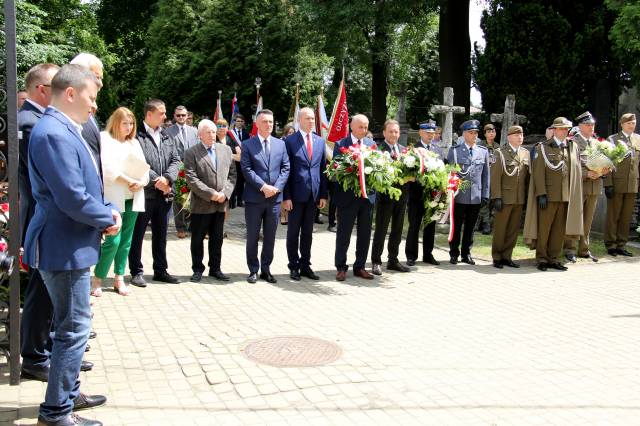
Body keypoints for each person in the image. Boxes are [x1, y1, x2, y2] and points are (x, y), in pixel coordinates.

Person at [24, 64, 119, 426]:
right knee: (72, 328)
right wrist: (108, 217)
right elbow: (72, 197)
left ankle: (67, 394)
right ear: (70, 93)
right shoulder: (53, 133)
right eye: (91, 98)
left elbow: (79, 191)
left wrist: (103, 214)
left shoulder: (63, 128)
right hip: (63, 247)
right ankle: (56, 412)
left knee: (69, 326)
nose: (95, 106)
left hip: (70, 242)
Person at [18, 63, 75, 383]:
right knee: (40, 292)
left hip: (41, 219)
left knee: (46, 293)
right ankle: (35, 356)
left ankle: (45, 345)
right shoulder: (31, 122)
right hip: (36, 220)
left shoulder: (37, 119)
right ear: (42, 89)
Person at [91, 107, 149, 297]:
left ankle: (119, 277)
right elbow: (107, 168)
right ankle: (98, 278)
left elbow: (145, 168)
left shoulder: (134, 143)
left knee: (126, 241)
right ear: (116, 122)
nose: (129, 127)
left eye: (131, 123)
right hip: (114, 198)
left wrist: (141, 182)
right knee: (112, 240)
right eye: (125, 123)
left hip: (133, 197)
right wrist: (128, 180)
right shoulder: (105, 139)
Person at [128, 99, 181, 286]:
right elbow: (137, 161)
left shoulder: (166, 135)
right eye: (161, 112)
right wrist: (156, 180)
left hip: (164, 194)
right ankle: (136, 271)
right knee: (138, 234)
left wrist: (167, 178)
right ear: (149, 114)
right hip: (146, 194)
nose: (165, 116)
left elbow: (176, 160)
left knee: (161, 234)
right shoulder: (137, 136)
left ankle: (160, 270)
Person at [523, 117, 582, 271]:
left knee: (559, 230)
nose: (564, 131)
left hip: (565, 195)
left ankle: (554, 258)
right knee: (544, 228)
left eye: (566, 129)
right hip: (548, 196)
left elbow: (574, 171)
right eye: (561, 128)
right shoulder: (543, 147)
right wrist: (541, 193)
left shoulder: (572, 147)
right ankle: (542, 258)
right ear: (554, 129)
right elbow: (538, 172)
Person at [241, 109, 290, 284]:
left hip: (274, 200)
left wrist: (276, 188)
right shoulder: (247, 144)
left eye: (271, 121)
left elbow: (286, 168)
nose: (268, 124)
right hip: (255, 198)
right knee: (253, 236)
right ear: (257, 123)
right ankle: (253, 269)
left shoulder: (280, 144)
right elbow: (246, 169)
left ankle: (266, 269)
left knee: (270, 237)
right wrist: (263, 186)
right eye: (265, 122)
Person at [184, 120, 236, 282]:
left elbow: (233, 175)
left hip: (221, 204)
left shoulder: (226, 150)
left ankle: (215, 268)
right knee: (197, 238)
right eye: (208, 132)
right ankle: (197, 269)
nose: (213, 135)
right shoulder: (191, 153)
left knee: (217, 238)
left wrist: (225, 193)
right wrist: (211, 194)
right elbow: (191, 178)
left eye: (214, 132)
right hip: (201, 204)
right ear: (200, 135)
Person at [282, 107, 328, 281]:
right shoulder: (289, 141)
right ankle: (293, 266)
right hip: (294, 195)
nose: (311, 122)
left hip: (313, 196)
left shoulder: (319, 141)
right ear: (299, 120)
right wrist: (286, 197)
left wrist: (323, 194)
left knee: (308, 233)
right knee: (293, 232)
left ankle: (305, 265)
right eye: (308, 119)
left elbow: (323, 169)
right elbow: (285, 171)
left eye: (313, 119)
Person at [333, 114, 376, 281]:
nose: (364, 130)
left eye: (366, 127)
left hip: (367, 198)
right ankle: (341, 267)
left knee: (365, 234)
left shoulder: (372, 145)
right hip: (347, 198)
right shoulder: (340, 144)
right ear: (352, 126)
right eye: (361, 127)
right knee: (343, 234)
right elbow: (337, 170)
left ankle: (360, 267)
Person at [447, 120, 490, 265]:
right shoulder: (454, 151)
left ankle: (466, 253)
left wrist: (485, 194)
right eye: (471, 133)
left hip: (476, 196)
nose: (474, 135)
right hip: (459, 195)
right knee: (457, 226)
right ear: (464, 134)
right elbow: (450, 173)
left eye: (476, 133)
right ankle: (454, 253)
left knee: (470, 228)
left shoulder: (483, 151)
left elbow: (485, 175)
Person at [371, 119, 411, 275]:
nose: (394, 134)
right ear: (384, 133)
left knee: (398, 229)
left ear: (399, 133)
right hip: (385, 197)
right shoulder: (378, 150)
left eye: (396, 131)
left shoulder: (405, 150)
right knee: (381, 229)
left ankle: (393, 260)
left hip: (402, 196)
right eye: (391, 131)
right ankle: (376, 261)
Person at [563, 112, 604, 262]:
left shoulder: (597, 142)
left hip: (594, 186)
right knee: (575, 218)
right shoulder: (572, 142)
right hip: (579, 186)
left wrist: (604, 170)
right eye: (588, 124)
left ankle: (584, 249)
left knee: (588, 220)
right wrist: (587, 174)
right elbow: (571, 165)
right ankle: (570, 249)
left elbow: (603, 161)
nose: (591, 127)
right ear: (580, 126)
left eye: (592, 124)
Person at [405, 120, 444, 266]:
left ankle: (428, 254)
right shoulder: (413, 149)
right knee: (414, 225)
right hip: (416, 195)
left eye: (432, 133)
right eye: (427, 133)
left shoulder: (438, 150)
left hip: (433, 195)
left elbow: (442, 170)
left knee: (430, 225)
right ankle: (411, 255)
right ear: (420, 132)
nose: (430, 135)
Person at [490, 126, 529, 269]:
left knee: (513, 230)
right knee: (501, 229)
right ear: (509, 137)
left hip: (519, 199)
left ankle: (507, 256)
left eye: (521, 134)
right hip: (504, 198)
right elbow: (495, 178)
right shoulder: (500, 153)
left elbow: (526, 178)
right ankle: (497, 257)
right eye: (516, 135)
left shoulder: (525, 153)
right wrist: (497, 197)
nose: (520, 137)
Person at [604, 113, 640, 257]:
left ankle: (621, 244)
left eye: (633, 123)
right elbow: (607, 162)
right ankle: (611, 244)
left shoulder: (638, 139)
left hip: (632, 184)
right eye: (629, 123)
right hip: (616, 183)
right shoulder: (613, 140)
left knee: (626, 216)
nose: (631, 126)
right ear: (622, 124)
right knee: (613, 215)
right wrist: (608, 184)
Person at [166, 105, 198, 239]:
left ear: (187, 116)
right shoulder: (168, 131)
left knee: (192, 197)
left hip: (192, 168)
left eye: (183, 115)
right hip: (177, 168)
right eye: (178, 115)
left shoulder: (194, 131)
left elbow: (197, 148)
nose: (181, 117)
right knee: (179, 198)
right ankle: (180, 227)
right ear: (174, 116)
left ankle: (192, 225)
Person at [70, 53, 104, 176]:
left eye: (101, 78)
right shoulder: (70, 113)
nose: (101, 83)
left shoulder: (89, 111)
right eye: (97, 77)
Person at [476, 123, 498, 234]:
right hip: (482, 178)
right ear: (484, 134)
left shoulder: (498, 147)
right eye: (489, 132)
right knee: (483, 201)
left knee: (491, 201)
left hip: (494, 178)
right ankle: (486, 225)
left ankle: (482, 223)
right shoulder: (479, 146)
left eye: (493, 131)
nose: (491, 133)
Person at [229, 114, 249, 208]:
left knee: (241, 181)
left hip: (243, 160)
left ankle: (240, 200)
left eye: (241, 121)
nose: (240, 123)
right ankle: (232, 200)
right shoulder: (230, 133)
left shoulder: (246, 133)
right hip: (233, 160)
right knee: (233, 180)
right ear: (234, 122)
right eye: (238, 121)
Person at [279, 124, 296, 225]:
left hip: (291, 170)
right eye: (289, 133)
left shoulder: (294, 143)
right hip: (282, 170)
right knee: (283, 194)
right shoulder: (282, 142)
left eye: (293, 133)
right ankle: (283, 216)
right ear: (285, 133)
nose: (291, 134)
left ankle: (288, 215)